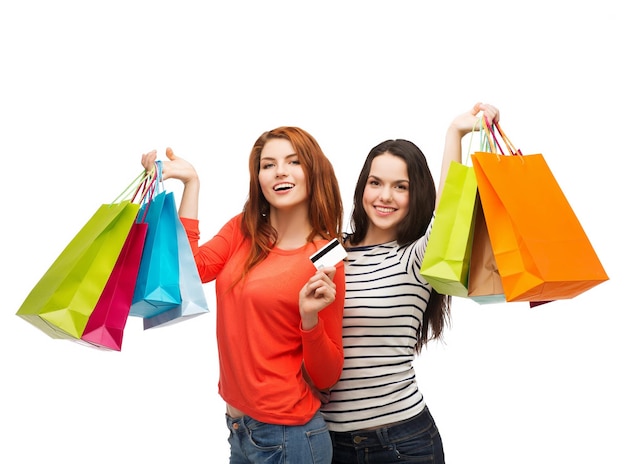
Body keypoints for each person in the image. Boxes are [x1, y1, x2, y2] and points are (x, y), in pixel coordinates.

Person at [141, 126, 346, 464]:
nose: (280, 171)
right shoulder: (243, 229)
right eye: (268, 164)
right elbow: (190, 271)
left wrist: (309, 319)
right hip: (239, 430)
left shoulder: (327, 255)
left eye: (293, 162)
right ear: (259, 178)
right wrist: (192, 184)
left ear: (314, 171)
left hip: (290, 438)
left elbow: (328, 375)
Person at [319, 103, 500, 463]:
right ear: (362, 187)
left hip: (400, 443)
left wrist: (456, 133)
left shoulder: (416, 257)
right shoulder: (331, 247)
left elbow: (450, 208)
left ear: (416, 194)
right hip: (327, 443)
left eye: (400, 186)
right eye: (376, 183)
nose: (384, 196)